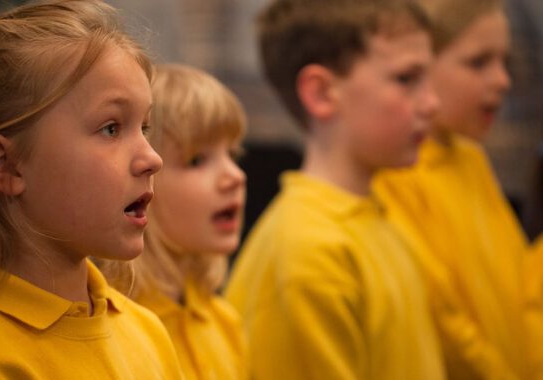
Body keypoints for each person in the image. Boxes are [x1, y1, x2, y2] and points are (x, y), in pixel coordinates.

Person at [0, 1, 184, 378]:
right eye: (111, 128)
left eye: (145, 128)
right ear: (5, 164)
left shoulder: (147, 332)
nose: (151, 158)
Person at [224, 0, 444, 379]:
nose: (432, 103)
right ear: (322, 93)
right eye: (406, 79)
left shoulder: (371, 217)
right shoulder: (308, 251)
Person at [373, 0, 535, 378]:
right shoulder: (395, 174)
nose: (502, 81)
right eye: (479, 62)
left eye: (504, 63)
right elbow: (444, 322)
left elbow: (518, 287)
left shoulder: (469, 158)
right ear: (420, 68)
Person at [129, 64, 247, 379]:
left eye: (233, 154)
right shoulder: (120, 329)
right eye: (197, 160)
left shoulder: (223, 321)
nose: (235, 176)